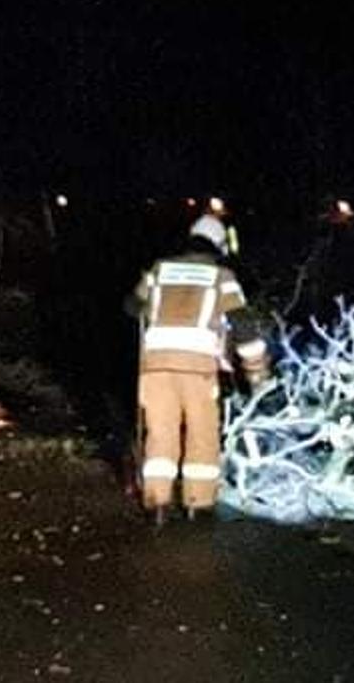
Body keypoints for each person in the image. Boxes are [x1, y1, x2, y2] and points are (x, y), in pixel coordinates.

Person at [126, 213, 272, 524]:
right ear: (219, 244)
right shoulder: (222, 277)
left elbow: (132, 306)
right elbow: (243, 326)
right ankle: (197, 501)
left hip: (156, 366)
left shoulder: (159, 270)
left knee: (160, 432)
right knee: (202, 433)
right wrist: (256, 372)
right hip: (198, 367)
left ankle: (157, 502)